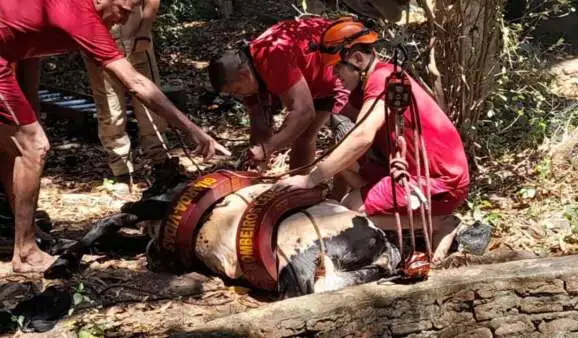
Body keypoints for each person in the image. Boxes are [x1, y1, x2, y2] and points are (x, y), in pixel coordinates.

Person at [0, 0, 230, 273]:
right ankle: (25, 252)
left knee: (14, 149)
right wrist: (194, 131)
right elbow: (136, 83)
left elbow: (27, 47)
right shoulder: (80, 15)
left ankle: (29, 235)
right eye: (122, 10)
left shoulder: (69, 10)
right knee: (34, 147)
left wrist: (31, 102)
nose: (123, 20)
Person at [280, 17, 470, 262]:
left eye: (337, 68)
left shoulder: (382, 79)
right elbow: (345, 133)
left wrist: (311, 178)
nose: (335, 75)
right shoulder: (368, 84)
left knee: (350, 209)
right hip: (409, 170)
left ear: (357, 60)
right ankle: (391, 211)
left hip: (439, 180)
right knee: (343, 163)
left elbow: (362, 135)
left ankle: (438, 223)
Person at [207, 17, 350, 171]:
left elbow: (304, 114)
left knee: (306, 135)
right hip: (307, 76)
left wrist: (268, 147)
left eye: (237, 90)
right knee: (296, 134)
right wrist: (254, 162)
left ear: (244, 75)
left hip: (338, 71)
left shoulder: (272, 59)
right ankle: (293, 186)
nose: (240, 95)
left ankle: (308, 189)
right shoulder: (247, 68)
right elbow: (259, 125)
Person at [83, 0, 170, 193]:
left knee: (149, 104)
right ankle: (120, 171)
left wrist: (145, 30)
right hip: (99, 44)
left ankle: (161, 162)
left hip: (137, 42)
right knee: (110, 109)